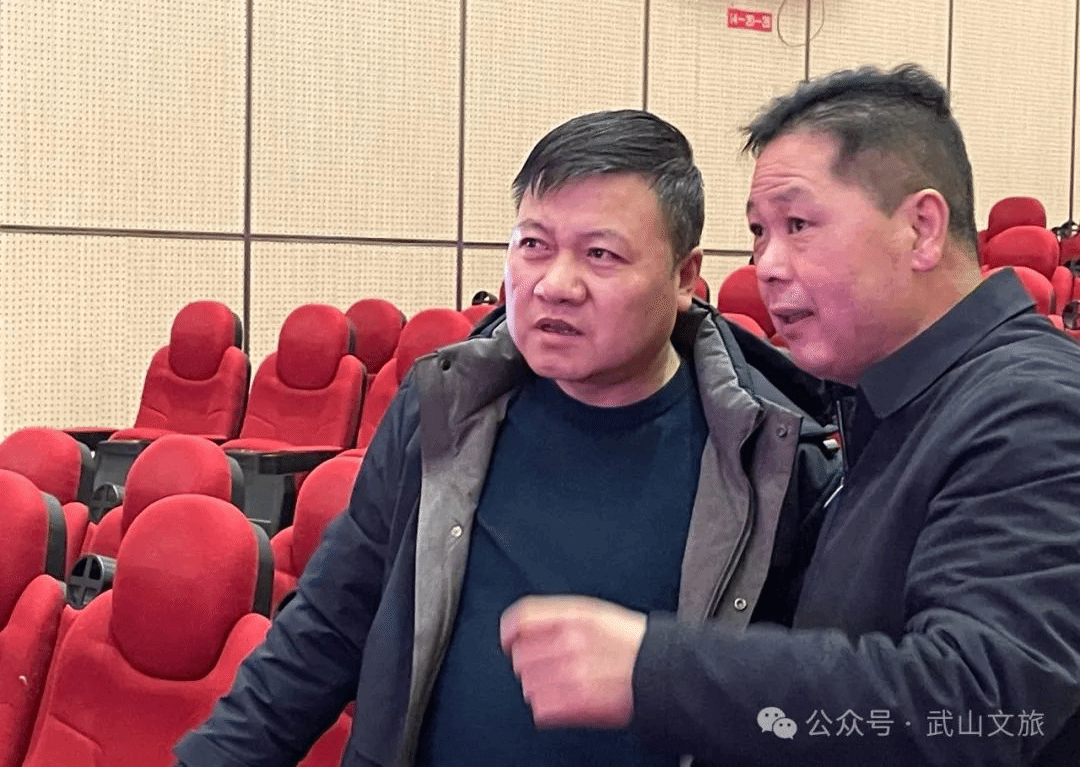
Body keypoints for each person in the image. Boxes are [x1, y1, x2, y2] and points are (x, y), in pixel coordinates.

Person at [173, 110, 841, 766]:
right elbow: (327, 625)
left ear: (684, 277)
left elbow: (808, 712)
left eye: (601, 254)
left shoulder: (773, 457)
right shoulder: (444, 408)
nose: (555, 285)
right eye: (533, 245)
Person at [499, 65, 1080, 766]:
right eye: (758, 232)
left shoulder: (1037, 409)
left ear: (922, 229)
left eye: (797, 225)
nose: (766, 265)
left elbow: (981, 709)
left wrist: (654, 670)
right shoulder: (876, 405)